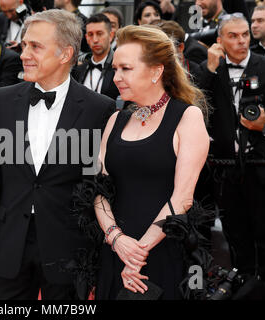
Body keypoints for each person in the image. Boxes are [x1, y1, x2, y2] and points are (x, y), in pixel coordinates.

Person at [0, 9, 115, 300]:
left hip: (69, 250)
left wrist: (97, 255)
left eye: (35, 46)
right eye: (24, 45)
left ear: (65, 54)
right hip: (9, 243)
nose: (24, 54)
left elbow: (98, 187)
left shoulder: (99, 108)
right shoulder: (4, 99)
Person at [95, 25, 209, 299]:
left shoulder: (187, 117)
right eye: (114, 69)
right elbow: (97, 189)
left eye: (126, 69)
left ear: (157, 71)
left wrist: (137, 253)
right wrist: (116, 238)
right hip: (115, 249)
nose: (116, 77)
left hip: (161, 250)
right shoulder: (115, 119)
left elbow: (182, 198)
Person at [196, 13, 265, 290]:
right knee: (235, 234)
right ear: (219, 40)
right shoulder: (208, 69)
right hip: (223, 168)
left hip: (262, 165)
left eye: (245, 35)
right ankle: (243, 285)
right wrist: (210, 69)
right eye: (233, 36)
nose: (241, 41)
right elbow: (195, 109)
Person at [71, 13, 119, 100]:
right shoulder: (78, 70)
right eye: (90, 34)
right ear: (86, 38)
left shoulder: (120, 69)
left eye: (99, 34)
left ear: (111, 36)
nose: (95, 40)